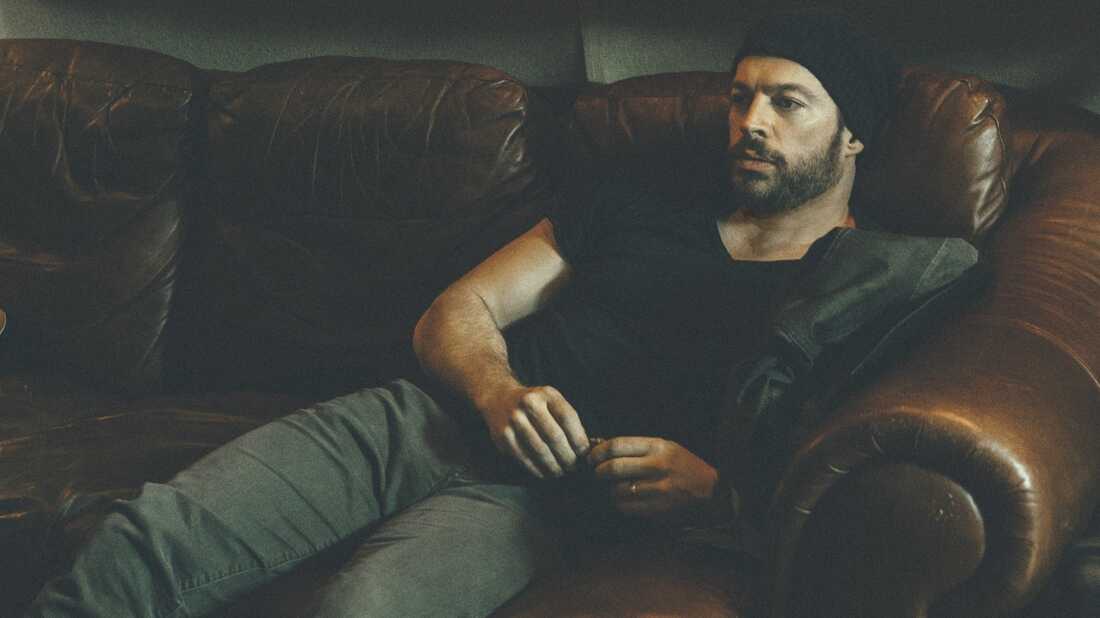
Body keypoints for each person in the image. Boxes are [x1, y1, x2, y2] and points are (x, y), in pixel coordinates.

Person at [28, 13, 903, 617]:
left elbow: (847, 470)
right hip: (426, 419)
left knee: (367, 607)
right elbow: (460, 308)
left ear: (853, 133)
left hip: (548, 503)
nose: (751, 122)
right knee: (147, 540)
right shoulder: (640, 201)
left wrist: (715, 492)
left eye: (788, 102)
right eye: (741, 96)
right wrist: (497, 392)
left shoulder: (861, 282)